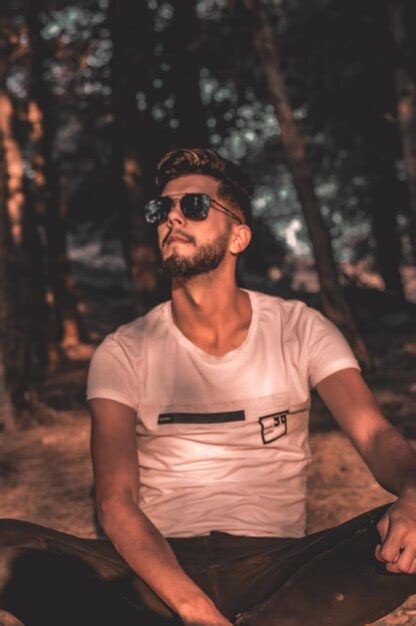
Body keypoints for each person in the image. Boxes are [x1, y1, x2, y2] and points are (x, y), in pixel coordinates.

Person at [1, 148, 416, 626]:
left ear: (239, 236)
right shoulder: (123, 350)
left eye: (194, 205)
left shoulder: (300, 329)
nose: (172, 217)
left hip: (278, 568)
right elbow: (116, 502)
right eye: (162, 209)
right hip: (157, 574)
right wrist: (191, 605)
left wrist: (412, 491)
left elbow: (376, 437)